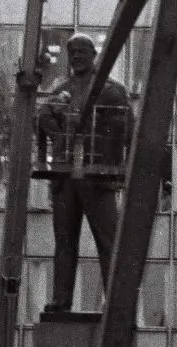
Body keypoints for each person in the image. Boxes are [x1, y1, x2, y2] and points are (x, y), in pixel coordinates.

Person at [38, 33, 131, 310]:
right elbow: (41, 118)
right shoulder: (61, 89)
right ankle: (61, 301)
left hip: (96, 175)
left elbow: (127, 128)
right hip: (66, 175)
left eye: (82, 51)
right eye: (72, 52)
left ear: (93, 55)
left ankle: (114, 302)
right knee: (64, 242)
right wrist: (59, 135)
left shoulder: (110, 89)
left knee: (108, 241)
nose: (77, 56)